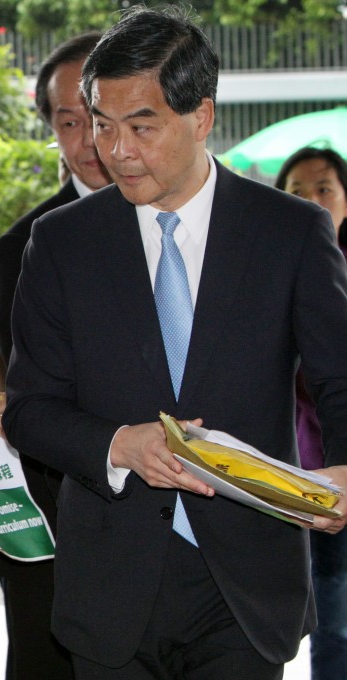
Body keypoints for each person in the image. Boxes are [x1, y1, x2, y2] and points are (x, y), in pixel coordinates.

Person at [3, 7, 347, 678]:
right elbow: (30, 410)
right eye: (102, 125)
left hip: (245, 584)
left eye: (141, 126)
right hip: (110, 582)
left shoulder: (290, 232)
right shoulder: (62, 242)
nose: (116, 151)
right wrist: (119, 444)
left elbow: (340, 379)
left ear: (201, 117)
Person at [0, 31, 108, 680]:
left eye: (103, 115)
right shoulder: (25, 245)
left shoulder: (199, 228)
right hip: (58, 531)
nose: (91, 140)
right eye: (69, 122)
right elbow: (39, 399)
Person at [275, 146, 347, 680]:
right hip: (318, 468)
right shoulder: (280, 271)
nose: (314, 201)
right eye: (298, 192)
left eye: (324, 188)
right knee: (334, 614)